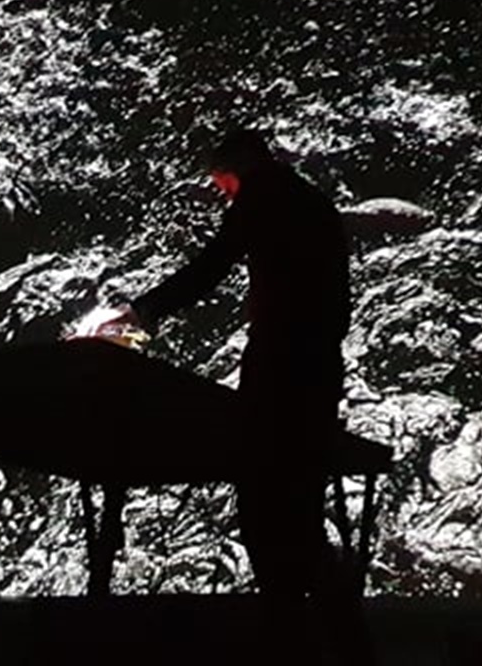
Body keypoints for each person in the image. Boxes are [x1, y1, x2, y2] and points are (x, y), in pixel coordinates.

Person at [130, 127, 372, 662]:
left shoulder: (263, 198)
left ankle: (289, 634)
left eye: (222, 183)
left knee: (265, 505)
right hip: (319, 366)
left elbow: (211, 267)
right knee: (303, 507)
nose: (224, 195)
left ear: (238, 167)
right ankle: (340, 640)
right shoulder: (313, 202)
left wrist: (147, 309)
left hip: (281, 366)